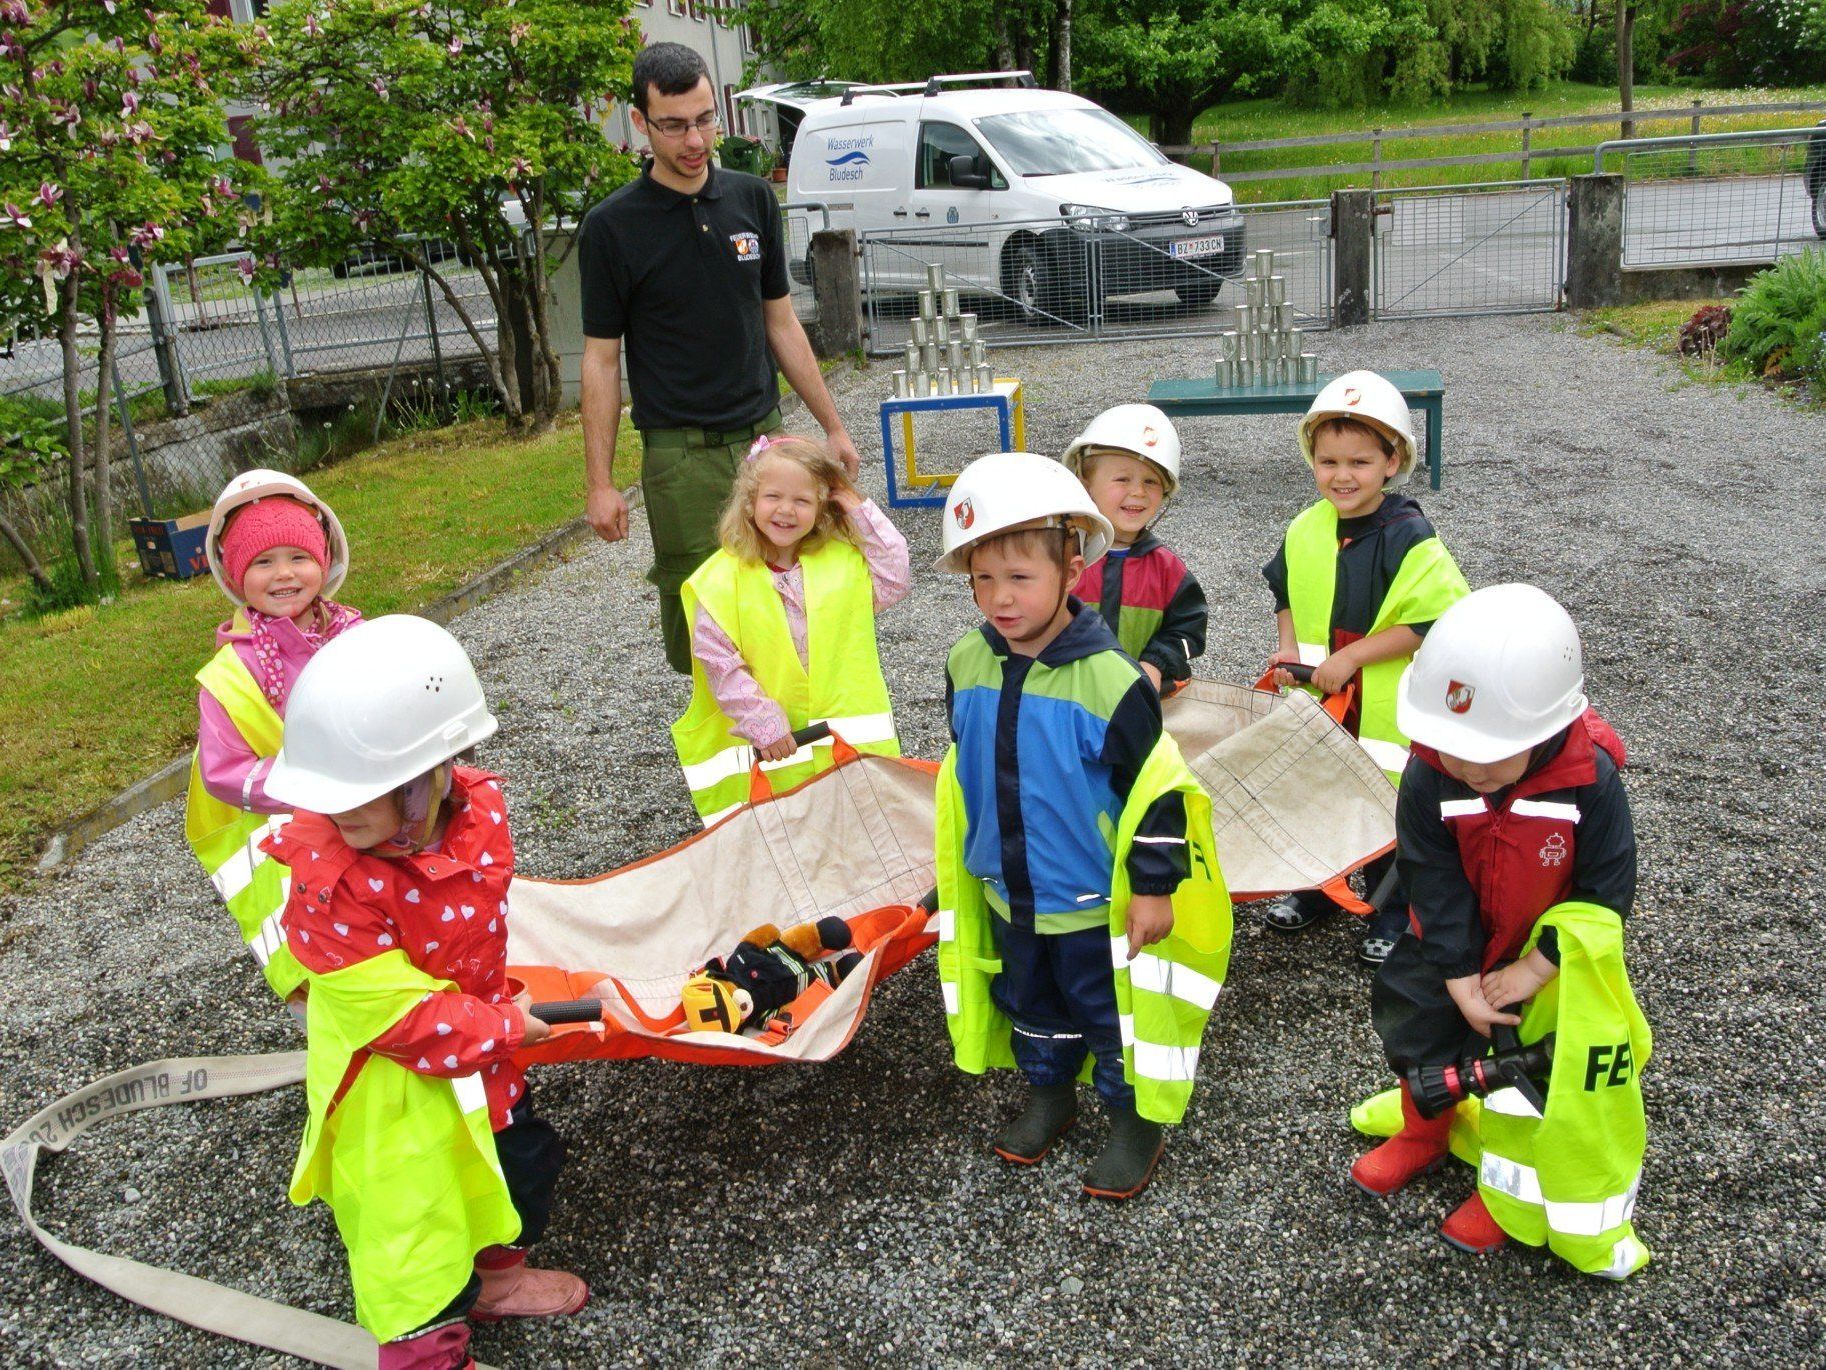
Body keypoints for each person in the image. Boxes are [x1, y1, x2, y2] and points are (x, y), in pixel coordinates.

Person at [261, 616, 586, 1367]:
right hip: (397, 1091)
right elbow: (401, 1017)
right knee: (412, 1234)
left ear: (434, 777)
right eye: (331, 798)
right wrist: (505, 1027)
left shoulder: (478, 814)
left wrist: (497, 1025)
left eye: (363, 796)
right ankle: (426, 1353)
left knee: (522, 1163)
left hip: (482, 1052)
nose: (341, 815)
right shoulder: (329, 882)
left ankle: (498, 1281)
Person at [932, 452, 1232, 1201]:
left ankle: (1134, 1119)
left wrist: (1155, 888)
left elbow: (1159, 792)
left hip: (1092, 903)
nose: (999, 599)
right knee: (1031, 1006)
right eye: (982, 578)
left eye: (1020, 578)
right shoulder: (966, 660)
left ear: (1072, 570)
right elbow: (970, 769)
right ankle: (1049, 1093)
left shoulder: (1112, 680)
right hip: (1010, 894)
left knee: (1108, 1016)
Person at [1353, 584, 1647, 1275]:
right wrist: (1457, 974)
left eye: (1486, 757)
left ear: (1546, 728)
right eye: (1450, 751)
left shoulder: (1590, 783)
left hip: (1540, 966)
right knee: (1416, 1026)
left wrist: (1534, 969)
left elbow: (1608, 893)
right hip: (1448, 944)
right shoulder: (1433, 771)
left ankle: (1504, 1190)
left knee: (1523, 1078)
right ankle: (1425, 1130)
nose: (1465, 769)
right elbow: (1430, 873)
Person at [579, 42, 862, 675]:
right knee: (702, 626)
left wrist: (833, 426)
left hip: (766, 442)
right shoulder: (612, 228)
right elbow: (601, 361)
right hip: (681, 456)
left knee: (789, 605)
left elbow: (780, 321)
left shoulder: (753, 199)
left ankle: (792, 758)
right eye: (674, 124)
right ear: (639, 123)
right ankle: (726, 761)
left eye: (706, 119)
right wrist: (599, 483)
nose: (695, 139)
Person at [1261, 369, 1468, 964]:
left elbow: (1433, 619)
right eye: (1328, 462)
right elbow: (1286, 592)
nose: (1342, 476)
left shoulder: (1411, 536)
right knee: (1320, 791)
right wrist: (1290, 653)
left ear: (1392, 460)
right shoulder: (1307, 527)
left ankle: (1394, 910)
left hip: (1381, 705)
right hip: (1321, 699)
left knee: (1392, 801)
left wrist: (1352, 657)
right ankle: (1317, 889)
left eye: (1358, 462)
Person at [185, 469, 360, 1003]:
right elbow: (222, 772)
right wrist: (310, 784)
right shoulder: (228, 676)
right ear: (237, 576)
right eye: (263, 561)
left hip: (368, 823)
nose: (284, 574)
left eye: (298, 557)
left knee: (384, 933)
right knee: (314, 963)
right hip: (285, 852)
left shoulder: (354, 634)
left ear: (324, 562)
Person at [671, 433, 907, 826]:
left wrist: (853, 502)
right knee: (789, 859)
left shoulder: (843, 564)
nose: (786, 510)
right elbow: (719, 664)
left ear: (822, 507)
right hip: (772, 763)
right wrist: (764, 722)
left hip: (850, 758)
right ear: (750, 502)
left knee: (859, 849)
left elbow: (895, 574)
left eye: (802, 500)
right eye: (773, 497)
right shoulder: (720, 579)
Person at [1060, 403, 1207, 695]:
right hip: (1064, 701)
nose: (1138, 492)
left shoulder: (1168, 570)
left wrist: (1155, 665)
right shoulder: (1060, 558)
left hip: (1139, 705)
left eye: (1150, 481)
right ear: (1085, 484)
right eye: (1122, 479)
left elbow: (1188, 631)